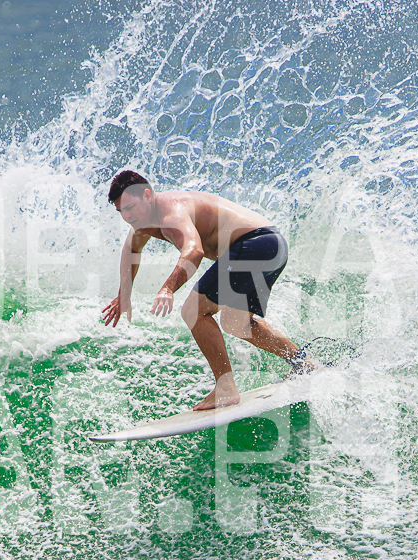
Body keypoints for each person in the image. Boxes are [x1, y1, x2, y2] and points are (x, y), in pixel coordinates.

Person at [100, 170, 316, 411]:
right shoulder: (143, 222)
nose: (127, 216)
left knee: (193, 311)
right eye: (121, 211)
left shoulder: (172, 212)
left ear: (148, 195)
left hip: (256, 244)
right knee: (236, 323)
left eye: (130, 207)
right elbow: (131, 250)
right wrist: (124, 295)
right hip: (273, 246)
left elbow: (194, 251)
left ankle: (226, 388)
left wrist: (168, 289)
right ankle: (303, 363)